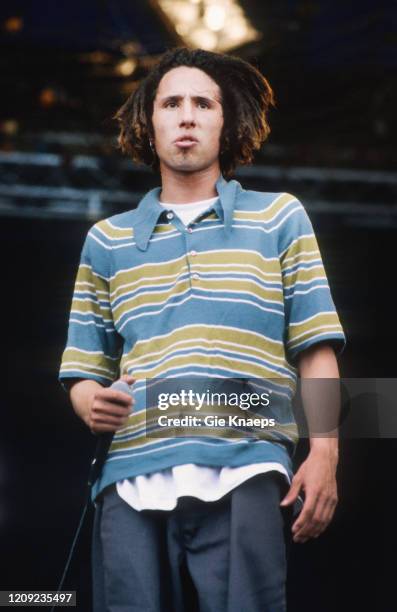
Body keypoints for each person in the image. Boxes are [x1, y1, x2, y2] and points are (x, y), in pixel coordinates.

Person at [59, 47, 346, 612]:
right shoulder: (107, 240)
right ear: (150, 122)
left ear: (226, 120)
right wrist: (91, 401)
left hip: (247, 462)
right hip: (130, 477)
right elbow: (83, 372)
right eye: (171, 102)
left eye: (203, 103)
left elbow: (315, 348)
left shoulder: (280, 217)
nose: (186, 115)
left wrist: (326, 455)